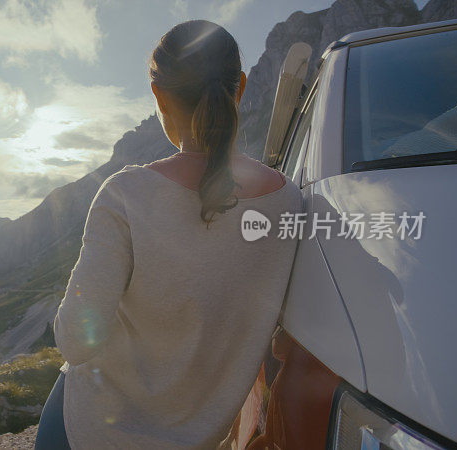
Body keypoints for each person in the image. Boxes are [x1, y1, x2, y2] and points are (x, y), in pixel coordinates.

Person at [34, 19, 302, 450]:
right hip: (199, 438)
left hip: (90, 432)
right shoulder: (290, 200)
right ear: (243, 86)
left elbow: (76, 344)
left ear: (159, 94)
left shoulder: (126, 193)